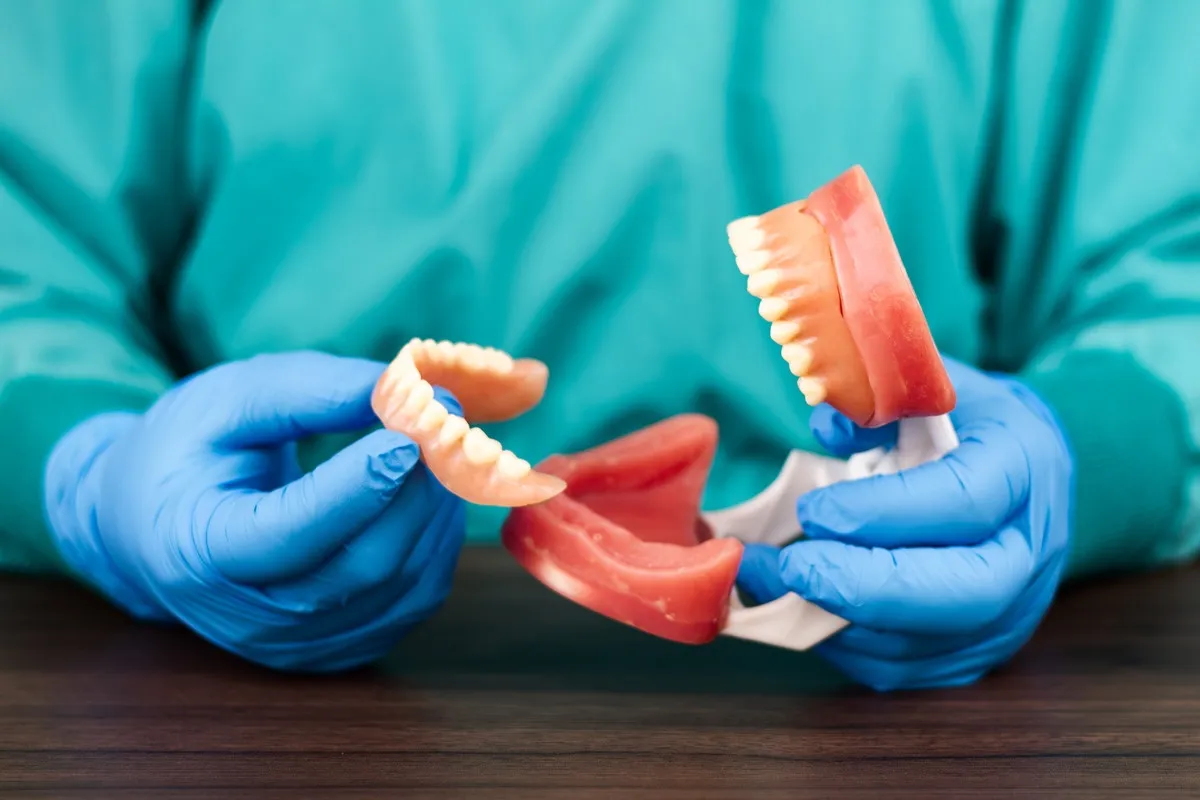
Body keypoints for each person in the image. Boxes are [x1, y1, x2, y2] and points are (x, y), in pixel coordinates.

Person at [1, 1, 1196, 690]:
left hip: (869, 679)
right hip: (251, 704)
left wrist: (1082, 452)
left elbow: (1173, 271)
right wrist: (90, 472)